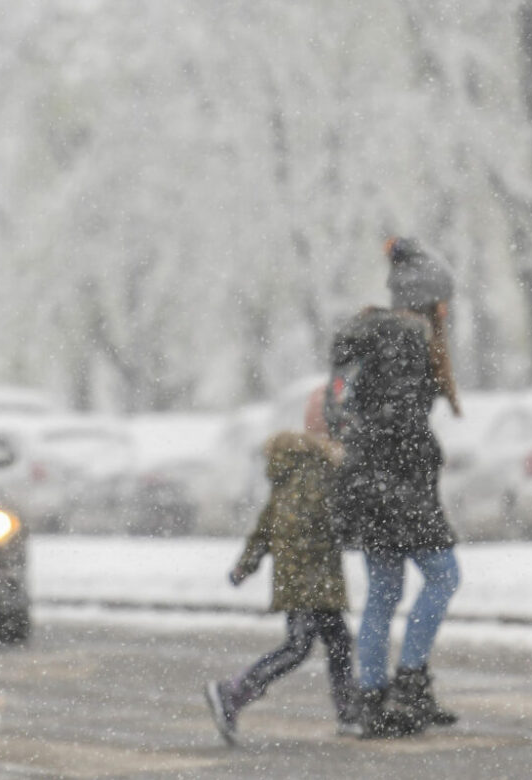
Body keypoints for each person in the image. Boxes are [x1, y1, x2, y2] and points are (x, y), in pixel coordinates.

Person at [329, 235, 462, 739]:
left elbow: (347, 408)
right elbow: (401, 419)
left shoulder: (370, 333)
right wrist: (420, 456)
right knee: (444, 577)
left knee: (384, 590)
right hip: (398, 483)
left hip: (366, 481)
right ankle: (409, 684)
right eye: (445, 299)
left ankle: (371, 697)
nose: (449, 309)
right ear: (430, 298)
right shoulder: (409, 338)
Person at [203, 430, 360, 744]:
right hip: (314, 580)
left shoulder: (287, 479)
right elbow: (335, 521)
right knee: (300, 647)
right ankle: (232, 693)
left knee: (335, 642)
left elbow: (264, 530)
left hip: (301, 579)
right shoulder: (316, 475)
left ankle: (349, 713)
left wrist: (244, 566)